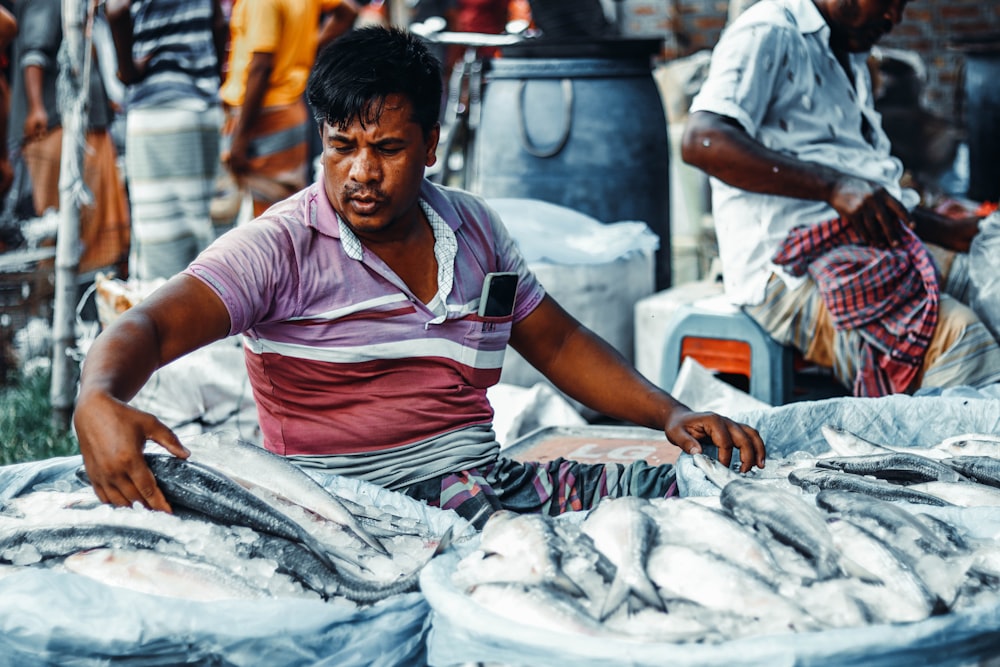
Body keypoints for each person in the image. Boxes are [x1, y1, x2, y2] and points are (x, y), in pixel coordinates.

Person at [73, 26, 765, 529]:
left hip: (483, 482)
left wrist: (672, 414)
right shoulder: (281, 244)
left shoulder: (474, 230)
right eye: (341, 147)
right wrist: (97, 398)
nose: (361, 173)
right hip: (347, 516)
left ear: (432, 145)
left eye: (388, 148)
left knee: (709, 497)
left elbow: (556, 343)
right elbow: (151, 323)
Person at [681, 0, 1000, 397]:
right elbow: (701, 141)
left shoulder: (846, 53)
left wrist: (948, 230)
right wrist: (831, 187)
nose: (893, 17)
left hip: (864, 241)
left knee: (995, 280)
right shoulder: (770, 31)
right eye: (889, 2)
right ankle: (945, 456)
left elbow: (865, 194)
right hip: (786, 271)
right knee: (961, 341)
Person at [106, 0, 228, 281]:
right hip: (204, 107)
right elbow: (218, 22)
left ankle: (170, 320)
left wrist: (127, 69)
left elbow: (117, 9)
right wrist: (210, 76)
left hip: (160, 109)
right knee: (198, 227)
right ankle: (204, 315)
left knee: (162, 241)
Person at [8, 0, 130, 275]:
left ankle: (89, 296)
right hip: (57, 126)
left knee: (91, 231)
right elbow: (34, 52)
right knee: (67, 230)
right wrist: (37, 107)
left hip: (81, 125)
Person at [219, 0, 358, 218]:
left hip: (264, 115)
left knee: (273, 219)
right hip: (288, 109)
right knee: (285, 209)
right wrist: (308, 49)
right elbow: (347, 11)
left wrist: (241, 138)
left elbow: (261, 66)